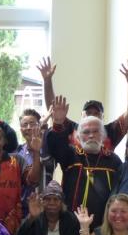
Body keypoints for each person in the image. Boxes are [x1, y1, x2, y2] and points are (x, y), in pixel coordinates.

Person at [38, 56, 128, 150]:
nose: (92, 115)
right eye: (88, 112)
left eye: (96, 113)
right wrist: (47, 80)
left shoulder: (111, 131)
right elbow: (53, 110)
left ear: (102, 117)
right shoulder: (71, 129)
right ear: (81, 116)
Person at [46, 96, 121, 228]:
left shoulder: (113, 161)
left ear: (103, 136)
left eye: (96, 131)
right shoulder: (70, 155)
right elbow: (55, 146)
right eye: (86, 132)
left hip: (104, 227)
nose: (91, 135)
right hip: (71, 224)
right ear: (79, 137)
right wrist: (57, 124)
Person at [16, 108, 57, 216]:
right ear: (20, 129)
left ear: (39, 126)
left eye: (32, 124)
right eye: (25, 125)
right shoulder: (18, 152)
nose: (29, 128)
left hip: (46, 208)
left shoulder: (48, 149)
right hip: (23, 210)